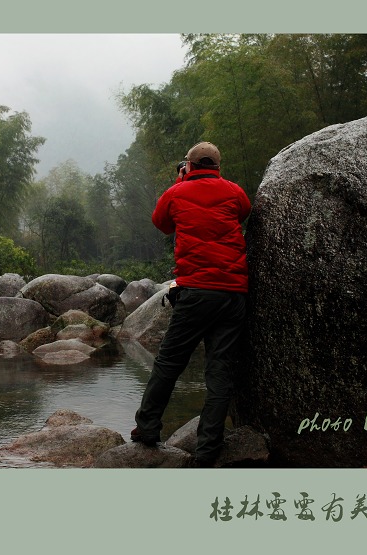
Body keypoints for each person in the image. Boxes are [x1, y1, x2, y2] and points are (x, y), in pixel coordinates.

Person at [130, 141, 251, 467]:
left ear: (190, 165)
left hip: (196, 292)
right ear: (218, 165)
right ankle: (209, 451)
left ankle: (148, 427)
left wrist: (182, 182)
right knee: (219, 373)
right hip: (234, 294)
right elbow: (243, 212)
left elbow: (162, 223)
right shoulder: (235, 191)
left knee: (169, 364)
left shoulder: (177, 193)